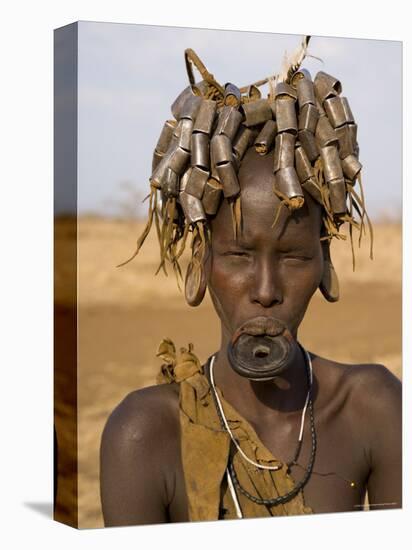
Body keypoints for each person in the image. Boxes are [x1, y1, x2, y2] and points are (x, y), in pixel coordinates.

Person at [99, 39, 402, 526]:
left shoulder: (374, 410)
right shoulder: (146, 435)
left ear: (324, 266)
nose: (266, 289)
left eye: (293, 257)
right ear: (202, 263)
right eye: (239, 255)